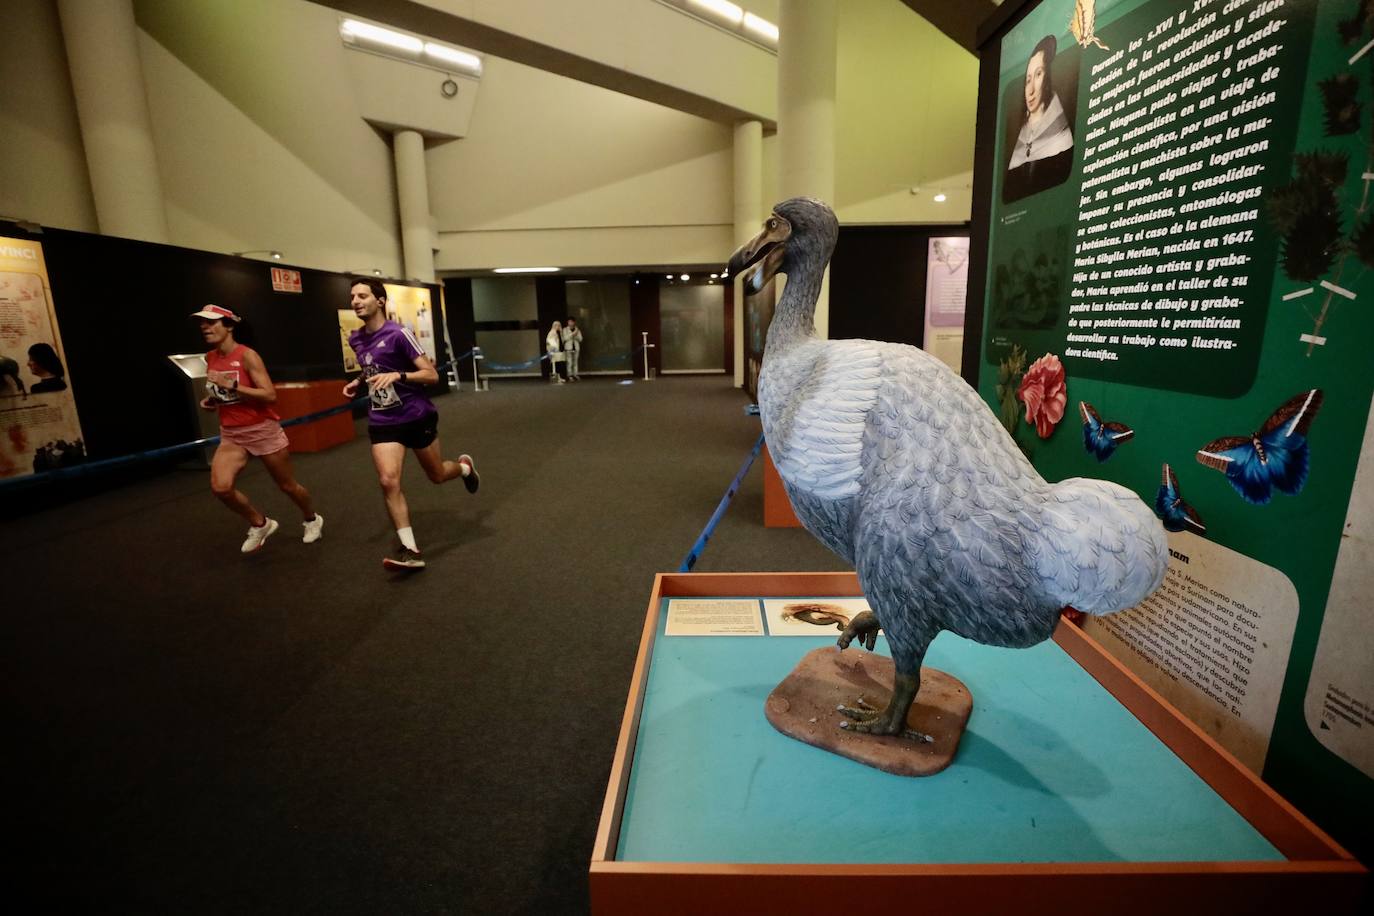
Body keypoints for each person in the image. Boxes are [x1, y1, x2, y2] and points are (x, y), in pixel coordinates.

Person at [343, 278, 479, 571]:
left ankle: (464, 468)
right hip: (382, 419)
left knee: (437, 474)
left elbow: (431, 375)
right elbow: (372, 368)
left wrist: (399, 375)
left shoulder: (399, 334)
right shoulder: (356, 338)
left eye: (362, 296)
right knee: (388, 480)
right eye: (353, 296)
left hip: (415, 415)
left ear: (380, 301)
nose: (355, 301)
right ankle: (410, 549)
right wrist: (358, 381)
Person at [193, 304, 323, 552]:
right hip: (232, 434)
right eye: (202, 323)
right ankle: (260, 523)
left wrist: (232, 385)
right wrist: (213, 400)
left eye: (211, 322)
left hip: (261, 429)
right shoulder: (210, 357)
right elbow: (224, 393)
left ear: (229, 326)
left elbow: (269, 395)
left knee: (287, 486)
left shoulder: (247, 356)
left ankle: (312, 518)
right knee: (221, 488)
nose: (204, 327)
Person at [1003, 34, 1074, 204]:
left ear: (1048, 77)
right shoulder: (1020, 135)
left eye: (1038, 74)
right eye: (1028, 80)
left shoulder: (1061, 137)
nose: (1031, 90)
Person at [562, 317, 583, 381]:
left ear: (574, 322)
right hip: (568, 348)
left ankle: (575, 374)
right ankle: (569, 375)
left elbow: (580, 339)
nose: (570, 323)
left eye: (571, 321)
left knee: (575, 362)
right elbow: (564, 339)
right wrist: (572, 334)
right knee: (569, 362)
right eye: (569, 322)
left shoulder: (577, 330)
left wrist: (576, 335)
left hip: (576, 348)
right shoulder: (565, 330)